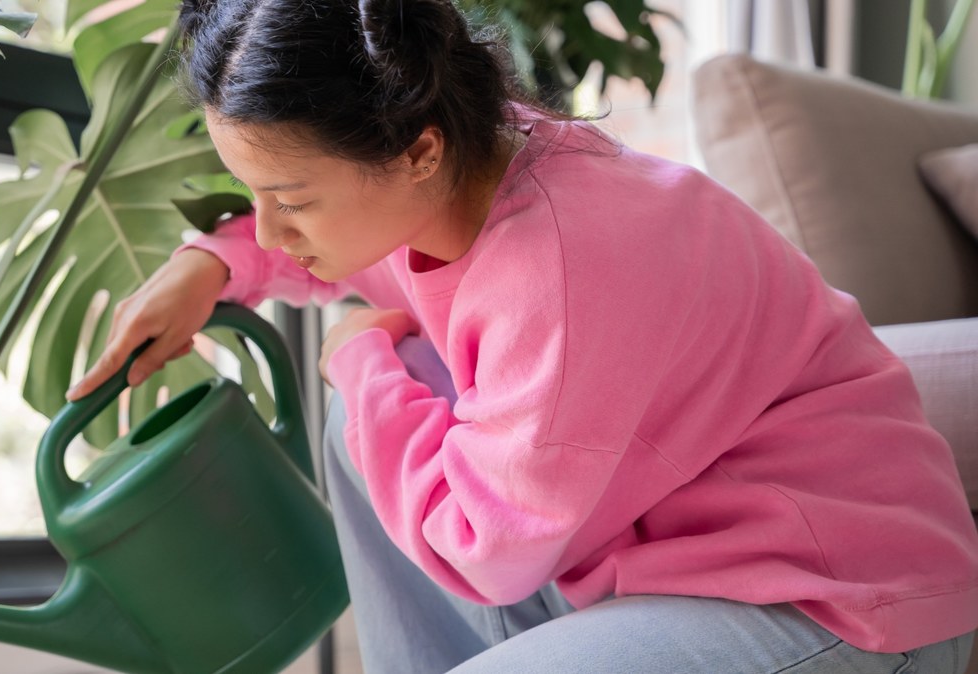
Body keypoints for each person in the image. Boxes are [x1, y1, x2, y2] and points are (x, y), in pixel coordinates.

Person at [64, 0, 978, 670]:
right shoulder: (470, 167)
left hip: (840, 600)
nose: (268, 229)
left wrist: (357, 360)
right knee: (379, 406)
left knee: (378, 395)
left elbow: (477, 544)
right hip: (665, 556)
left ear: (416, 149)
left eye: (289, 200)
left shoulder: (565, 265)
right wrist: (212, 264)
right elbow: (355, 248)